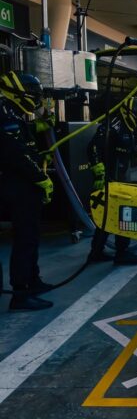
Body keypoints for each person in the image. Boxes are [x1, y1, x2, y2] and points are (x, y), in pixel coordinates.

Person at [0, 71, 55, 311]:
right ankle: (20, 294)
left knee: (31, 236)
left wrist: (41, 137)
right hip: (17, 186)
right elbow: (17, 154)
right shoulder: (5, 114)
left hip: (25, 185)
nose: (36, 99)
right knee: (24, 239)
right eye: (33, 94)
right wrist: (41, 178)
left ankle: (33, 280)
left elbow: (27, 145)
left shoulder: (14, 113)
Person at [87, 97, 137, 265]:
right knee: (121, 215)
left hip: (121, 177)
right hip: (110, 179)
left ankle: (96, 252)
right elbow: (93, 147)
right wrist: (99, 172)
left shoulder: (129, 128)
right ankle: (121, 253)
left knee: (110, 216)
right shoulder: (112, 126)